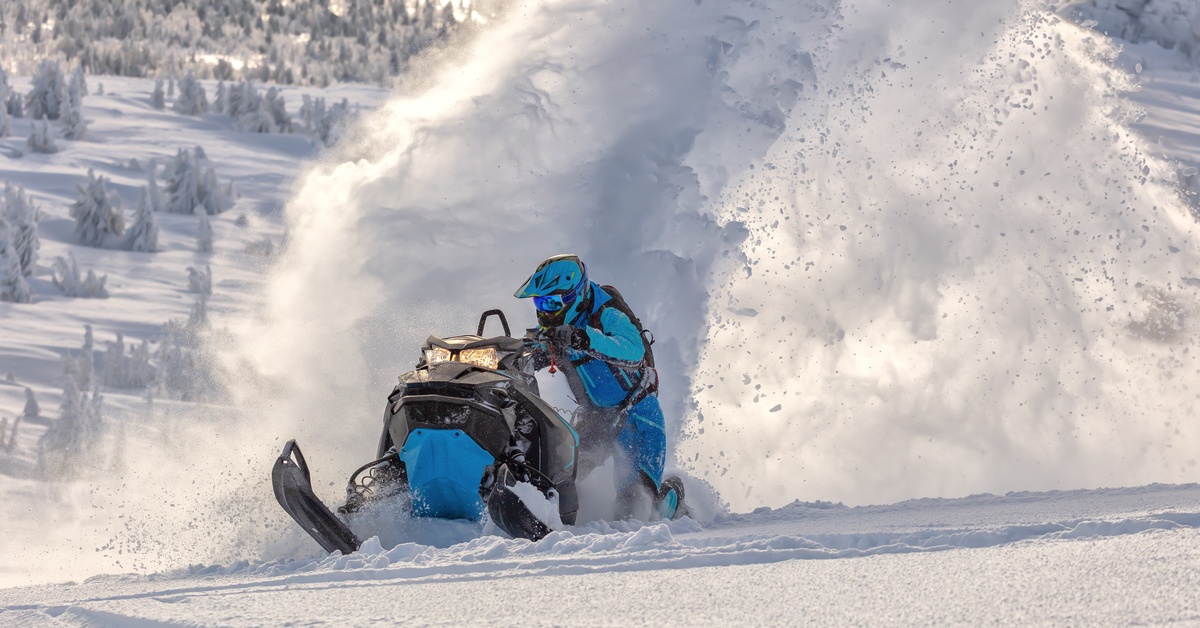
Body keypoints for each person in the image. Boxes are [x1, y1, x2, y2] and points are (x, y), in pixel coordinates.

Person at [515, 254, 684, 520]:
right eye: (539, 302)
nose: (545, 311)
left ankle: (674, 495)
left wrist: (584, 338)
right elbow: (526, 356)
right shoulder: (552, 329)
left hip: (637, 416)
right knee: (559, 479)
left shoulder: (607, 315)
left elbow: (633, 350)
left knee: (638, 508)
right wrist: (520, 357)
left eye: (551, 302)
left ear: (573, 296)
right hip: (597, 420)